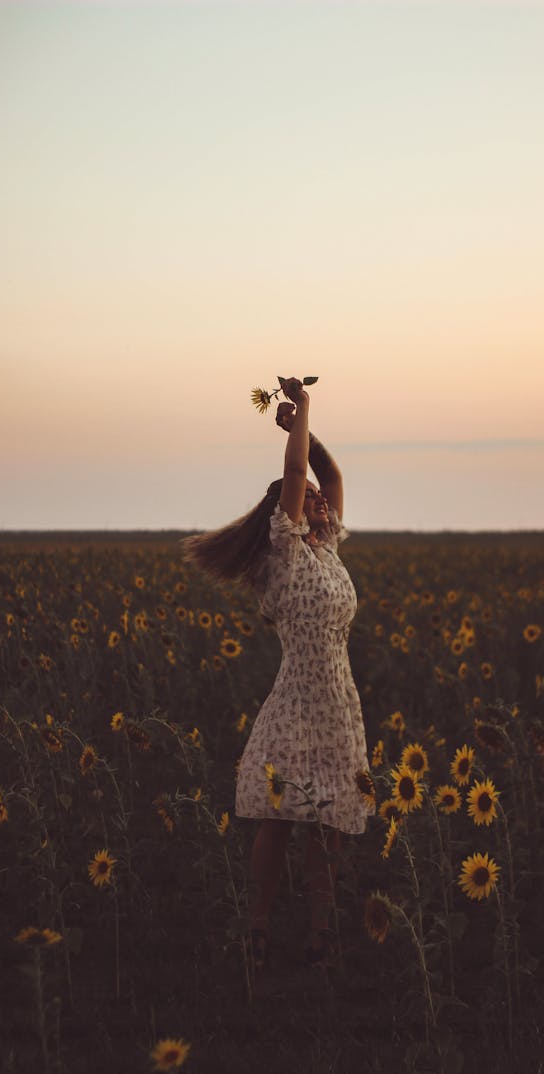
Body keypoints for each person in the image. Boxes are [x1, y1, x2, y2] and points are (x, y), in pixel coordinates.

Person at [183, 378, 370, 970]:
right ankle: (257, 927)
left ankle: (321, 928)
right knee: (281, 819)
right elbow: (294, 480)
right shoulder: (285, 554)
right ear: (286, 514)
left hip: (339, 700)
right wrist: (301, 418)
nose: (320, 499)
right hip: (298, 700)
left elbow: (331, 478)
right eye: (309, 498)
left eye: (317, 498)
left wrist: (307, 435)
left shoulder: (325, 550)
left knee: (329, 819)